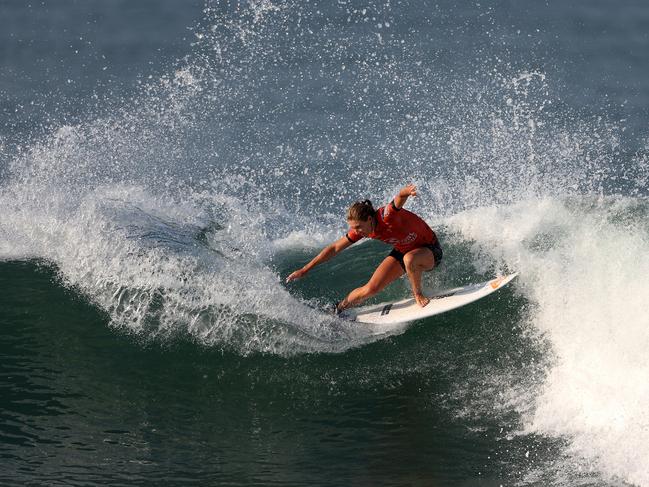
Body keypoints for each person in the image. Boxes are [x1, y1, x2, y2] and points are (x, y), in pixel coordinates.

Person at [286, 184, 442, 313]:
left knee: (410, 259)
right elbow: (334, 248)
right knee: (370, 288)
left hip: (430, 249)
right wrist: (305, 269)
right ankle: (337, 309)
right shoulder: (364, 229)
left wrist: (407, 192)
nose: (357, 231)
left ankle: (418, 294)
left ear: (369, 219)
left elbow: (398, 199)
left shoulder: (385, 217)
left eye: (359, 227)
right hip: (404, 249)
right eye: (354, 228)